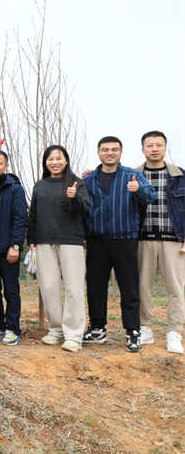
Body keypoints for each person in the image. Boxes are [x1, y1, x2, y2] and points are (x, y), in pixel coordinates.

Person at [82, 136, 156, 353]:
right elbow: (82, 208)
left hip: (125, 238)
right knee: (95, 286)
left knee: (129, 287)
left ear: (121, 152)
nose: (110, 153)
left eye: (114, 149)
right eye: (105, 149)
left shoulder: (132, 175)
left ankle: (132, 331)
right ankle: (97, 328)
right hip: (96, 239)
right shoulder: (89, 179)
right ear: (99, 153)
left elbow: (150, 196)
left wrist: (138, 189)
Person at [28, 145, 90, 352]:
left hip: (71, 241)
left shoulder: (76, 183)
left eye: (59, 158)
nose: (54, 162)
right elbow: (33, 215)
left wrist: (75, 197)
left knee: (73, 288)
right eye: (50, 159)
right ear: (45, 162)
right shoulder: (40, 186)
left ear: (66, 160)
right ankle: (56, 329)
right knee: (49, 287)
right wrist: (31, 239)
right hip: (44, 241)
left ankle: (73, 335)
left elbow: (85, 210)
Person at [134, 131, 184, 354]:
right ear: (143, 149)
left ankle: (174, 332)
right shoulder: (133, 175)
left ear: (165, 148)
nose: (154, 149)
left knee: (175, 288)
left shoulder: (180, 176)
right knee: (142, 286)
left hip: (173, 239)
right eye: (150, 145)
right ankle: (145, 327)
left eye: (159, 145)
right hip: (142, 238)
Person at [0, 150, 27, 346]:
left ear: (6, 166)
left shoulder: (14, 188)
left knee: (11, 290)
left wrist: (15, 245)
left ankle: (13, 328)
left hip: (7, 247)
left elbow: (20, 219)